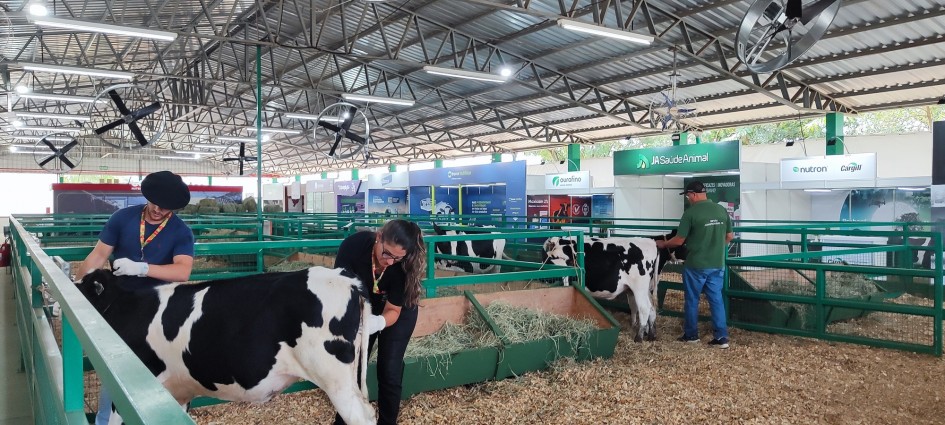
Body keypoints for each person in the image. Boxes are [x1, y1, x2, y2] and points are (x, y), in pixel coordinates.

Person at [74, 170, 195, 425]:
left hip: (159, 310)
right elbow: (98, 255)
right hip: (121, 307)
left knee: (162, 368)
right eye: (155, 203)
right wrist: (76, 288)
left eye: (166, 208)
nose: (158, 210)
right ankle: (106, 419)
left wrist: (142, 268)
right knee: (118, 366)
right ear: (147, 196)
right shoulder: (123, 218)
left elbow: (183, 271)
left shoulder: (181, 231)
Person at [333, 219, 425, 425]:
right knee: (353, 368)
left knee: (389, 370)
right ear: (379, 237)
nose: (390, 262)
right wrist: (357, 323)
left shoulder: (403, 266)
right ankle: (344, 421)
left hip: (396, 311)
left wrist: (377, 323)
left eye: (397, 258)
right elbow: (341, 290)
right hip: (362, 306)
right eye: (387, 253)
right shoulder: (353, 247)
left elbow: (393, 310)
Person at [656, 181, 734, 349]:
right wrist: (716, 248)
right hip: (717, 264)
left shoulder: (690, 213)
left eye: (688, 196)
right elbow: (730, 236)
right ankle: (721, 338)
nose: (688, 198)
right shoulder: (721, 210)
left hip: (696, 265)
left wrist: (664, 244)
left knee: (692, 300)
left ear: (693, 194)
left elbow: (679, 240)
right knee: (716, 300)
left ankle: (691, 335)